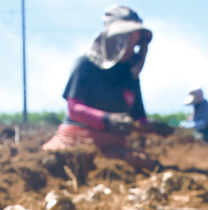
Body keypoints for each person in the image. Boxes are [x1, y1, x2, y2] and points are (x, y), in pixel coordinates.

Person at [43, 5, 165, 170]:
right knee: (50, 162)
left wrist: (154, 127)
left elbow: (138, 119)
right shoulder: (86, 64)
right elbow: (74, 107)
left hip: (115, 147)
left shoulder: (131, 76)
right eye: (127, 41)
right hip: (75, 140)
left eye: (134, 43)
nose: (130, 49)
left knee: (141, 163)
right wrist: (107, 119)